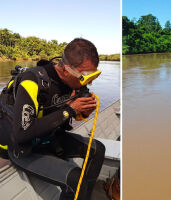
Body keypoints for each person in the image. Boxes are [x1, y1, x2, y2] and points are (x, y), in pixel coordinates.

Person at [0, 38, 105, 200]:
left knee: (97, 149)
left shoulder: (74, 83)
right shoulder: (32, 81)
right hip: (24, 147)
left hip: (50, 138)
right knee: (75, 180)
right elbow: (22, 133)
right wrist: (70, 109)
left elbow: (73, 113)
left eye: (93, 76)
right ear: (66, 70)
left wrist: (83, 112)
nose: (88, 82)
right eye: (85, 76)